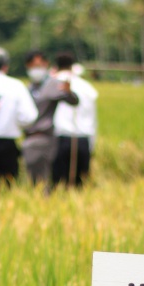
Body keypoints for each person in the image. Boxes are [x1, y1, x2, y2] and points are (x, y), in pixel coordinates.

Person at [0, 47, 38, 187]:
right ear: (5, 66)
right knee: (6, 187)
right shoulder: (16, 85)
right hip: (7, 145)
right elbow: (29, 116)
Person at [22, 50, 78, 186]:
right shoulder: (29, 87)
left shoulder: (53, 84)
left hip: (44, 136)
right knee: (31, 177)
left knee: (42, 178)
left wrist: (68, 91)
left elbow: (73, 100)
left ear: (46, 64)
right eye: (32, 66)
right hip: (28, 137)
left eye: (39, 65)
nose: (36, 69)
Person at [52, 52, 98, 188]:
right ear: (72, 66)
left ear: (56, 66)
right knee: (80, 185)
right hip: (83, 140)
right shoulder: (87, 87)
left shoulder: (52, 84)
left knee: (58, 184)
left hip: (60, 140)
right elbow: (93, 119)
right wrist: (92, 144)